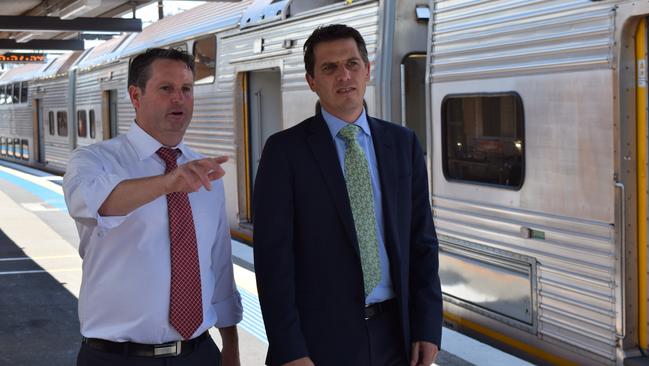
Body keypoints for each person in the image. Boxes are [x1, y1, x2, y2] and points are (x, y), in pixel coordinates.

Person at [253, 24, 442, 366]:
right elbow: (273, 261)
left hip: (395, 336)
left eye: (352, 64)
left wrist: (428, 326)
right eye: (329, 68)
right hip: (318, 344)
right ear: (312, 81)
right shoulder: (284, 151)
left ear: (367, 70)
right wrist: (290, 349)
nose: (344, 75)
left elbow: (422, 242)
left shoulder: (402, 144)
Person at [63, 48, 242, 366]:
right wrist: (167, 183)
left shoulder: (202, 172)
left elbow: (219, 266)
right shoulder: (94, 161)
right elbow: (93, 204)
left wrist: (231, 347)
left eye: (186, 89)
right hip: (118, 357)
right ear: (135, 95)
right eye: (166, 88)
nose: (179, 99)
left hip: (198, 354)